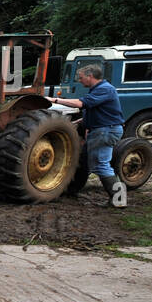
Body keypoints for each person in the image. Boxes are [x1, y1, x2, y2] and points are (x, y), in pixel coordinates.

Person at [49, 63, 126, 207]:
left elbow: (80, 104)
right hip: (102, 129)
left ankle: (119, 199)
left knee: (101, 165)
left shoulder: (105, 89)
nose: (79, 80)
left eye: (81, 77)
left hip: (105, 131)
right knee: (83, 160)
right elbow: (99, 112)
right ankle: (71, 190)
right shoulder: (98, 89)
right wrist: (77, 122)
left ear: (90, 76)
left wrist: (54, 100)